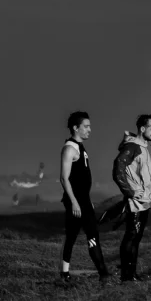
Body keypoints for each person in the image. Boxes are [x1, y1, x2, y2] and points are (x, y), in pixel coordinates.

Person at [59, 111, 110, 284]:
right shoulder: (69, 149)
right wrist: (74, 202)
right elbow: (64, 178)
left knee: (90, 235)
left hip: (84, 202)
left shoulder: (79, 147)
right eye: (86, 126)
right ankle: (67, 274)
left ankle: (102, 273)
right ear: (76, 128)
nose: (89, 130)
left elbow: (81, 180)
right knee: (74, 236)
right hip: (76, 203)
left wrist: (87, 202)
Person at [112, 114, 151, 282]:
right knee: (131, 236)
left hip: (144, 201)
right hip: (135, 203)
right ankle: (127, 275)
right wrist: (129, 192)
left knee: (136, 238)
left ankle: (131, 273)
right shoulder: (133, 147)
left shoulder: (142, 147)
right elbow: (118, 167)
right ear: (142, 129)